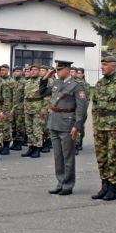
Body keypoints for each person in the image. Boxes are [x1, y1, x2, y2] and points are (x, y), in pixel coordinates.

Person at [89, 54, 116, 201]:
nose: (102, 67)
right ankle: (104, 186)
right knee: (101, 158)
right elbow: (94, 105)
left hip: (114, 126)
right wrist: (95, 123)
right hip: (100, 126)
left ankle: (113, 188)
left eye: (105, 65)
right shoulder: (100, 83)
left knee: (113, 158)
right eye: (101, 65)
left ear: (113, 65)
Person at [46, 60, 88, 195]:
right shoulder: (56, 83)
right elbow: (41, 92)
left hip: (67, 123)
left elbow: (81, 108)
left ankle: (68, 184)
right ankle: (60, 182)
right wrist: (45, 77)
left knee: (68, 156)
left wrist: (77, 126)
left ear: (68, 70)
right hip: (54, 121)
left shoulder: (77, 86)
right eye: (56, 70)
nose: (57, 72)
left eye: (60, 70)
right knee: (58, 156)